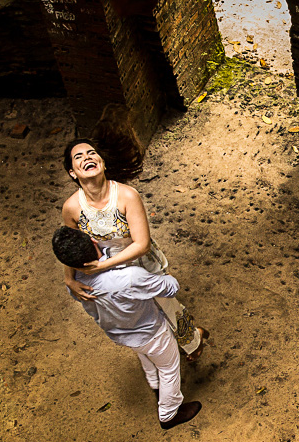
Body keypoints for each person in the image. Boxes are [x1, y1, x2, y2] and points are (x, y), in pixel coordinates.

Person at [60, 137, 208, 361]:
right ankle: (160, 348)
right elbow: (70, 246)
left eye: (91, 153)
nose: (87, 157)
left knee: (167, 306)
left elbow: (141, 244)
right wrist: (69, 279)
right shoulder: (71, 207)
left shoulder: (127, 195)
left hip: (141, 263)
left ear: (103, 163)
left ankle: (194, 341)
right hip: (109, 269)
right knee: (138, 315)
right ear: (73, 173)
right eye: (78, 157)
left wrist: (101, 267)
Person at [52, 225, 202, 429]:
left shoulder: (75, 285)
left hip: (120, 333)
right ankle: (169, 413)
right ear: (94, 241)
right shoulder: (129, 277)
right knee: (169, 367)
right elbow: (171, 287)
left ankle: (156, 386)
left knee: (146, 358)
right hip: (152, 332)